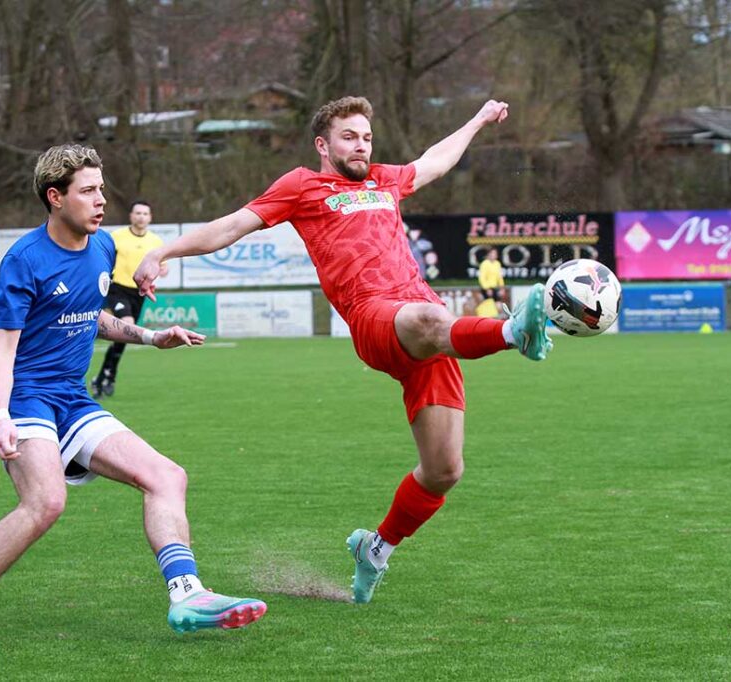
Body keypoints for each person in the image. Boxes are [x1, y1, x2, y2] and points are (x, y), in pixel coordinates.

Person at [134, 96, 552, 605]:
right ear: (323, 144)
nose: (361, 145)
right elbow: (231, 226)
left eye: (367, 137)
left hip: (428, 326)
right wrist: (162, 251)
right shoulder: (301, 186)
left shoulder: (384, 179)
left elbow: (436, 160)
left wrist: (480, 120)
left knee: (444, 470)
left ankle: (376, 548)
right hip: (375, 316)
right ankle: (513, 334)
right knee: (429, 318)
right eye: (349, 137)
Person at [0, 144, 265, 651]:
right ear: (55, 197)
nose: (102, 201)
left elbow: (91, 317)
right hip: (25, 394)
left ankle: (187, 594)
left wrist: (149, 337)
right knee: (46, 501)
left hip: (71, 397)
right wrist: (2, 414)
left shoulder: (102, 248)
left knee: (167, 476)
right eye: (89, 191)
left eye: (102, 189)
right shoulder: (24, 260)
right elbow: (3, 349)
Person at [91, 200, 169, 398]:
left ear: (150, 218)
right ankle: (110, 375)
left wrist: (161, 268)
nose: (141, 217)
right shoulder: (116, 237)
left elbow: (163, 266)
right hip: (117, 288)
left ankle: (103, 376)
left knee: (125, 334)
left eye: (145, 213)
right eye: (138, 213)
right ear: (131, 216)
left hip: (138, 292)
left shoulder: (155, 242)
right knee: (127, 324)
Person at [478, 248, 506, 316]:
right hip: (486, 288)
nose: (493, 255)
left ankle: (500, 320)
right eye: (492, 253)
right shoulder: (484, 264)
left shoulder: (497, 264)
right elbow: (482, 278)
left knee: (498, 305)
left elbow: (500, 277)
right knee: (487, 306)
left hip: (495, 287)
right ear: (488, 254)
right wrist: (487, 289)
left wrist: (502, 288)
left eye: (495, 254)